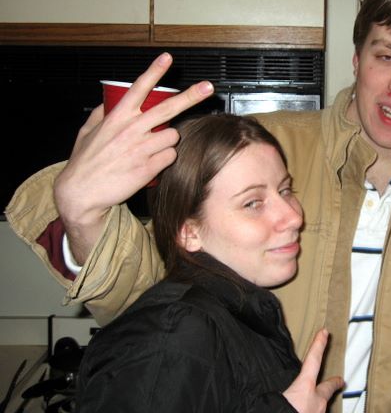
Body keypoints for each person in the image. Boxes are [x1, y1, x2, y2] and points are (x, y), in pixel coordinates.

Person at [6, 0, 391, 413]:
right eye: (386, 56)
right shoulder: (261, 151)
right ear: (357, 59)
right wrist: (86, 220)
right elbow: (152, 293)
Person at [75, 113, 343, 412]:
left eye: (284, 190)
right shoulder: (172, 335)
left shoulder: (237, 315)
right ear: (189, 233)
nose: (294, 217)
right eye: (252, 203)